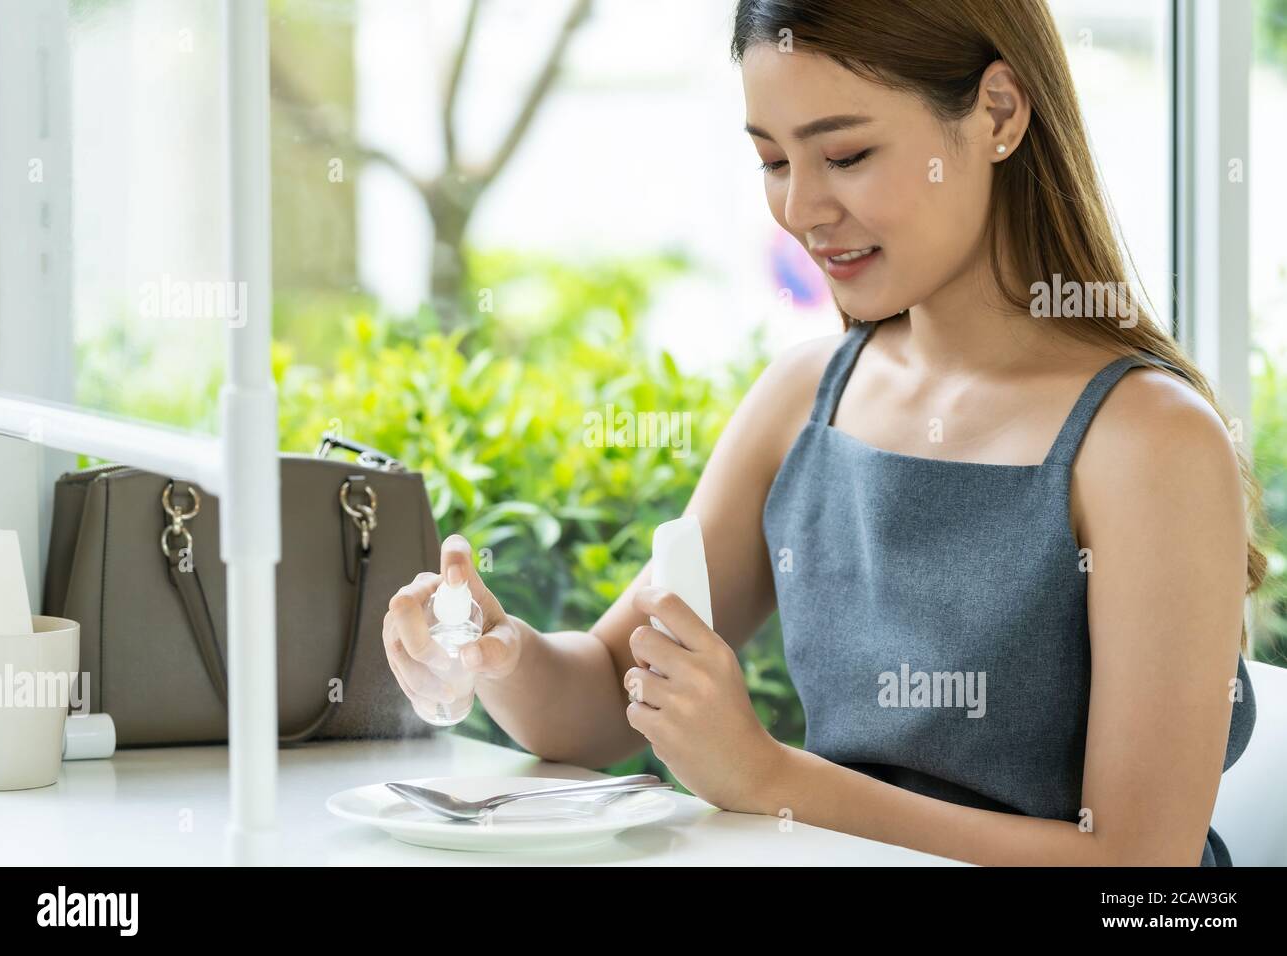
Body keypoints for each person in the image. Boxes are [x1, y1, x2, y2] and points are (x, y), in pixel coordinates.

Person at [382, 0, 1261, 866]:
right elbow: (607, 702)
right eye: (772, 159)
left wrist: (771, 779)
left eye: (846, 154)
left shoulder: (1148, 442)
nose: (801, 207)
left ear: (998, 111)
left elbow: (1142, 870)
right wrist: (494, 653)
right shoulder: (805, 397)